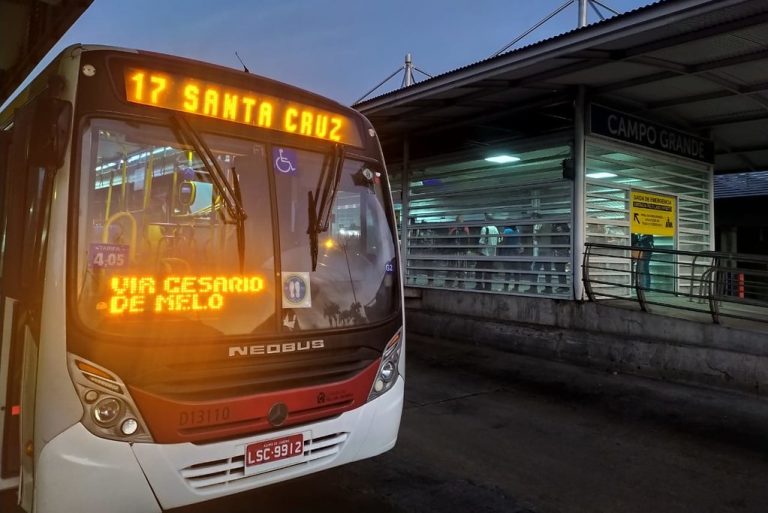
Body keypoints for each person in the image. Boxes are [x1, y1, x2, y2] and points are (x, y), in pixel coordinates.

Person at [476, 213, 500, 291]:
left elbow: (482, 242)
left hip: (484, 253)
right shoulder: (496, 229)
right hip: (492, 254)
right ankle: (488, 287)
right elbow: (498, 241)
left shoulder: (484, 229)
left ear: (486, 220)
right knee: (489, 271)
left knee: (478, 269)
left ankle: (479, 285)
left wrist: (478, 252)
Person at [447, 215, 470, 288]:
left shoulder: (465, 228)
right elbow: (448, 237)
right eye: (459, 220)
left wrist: (466, 232)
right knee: (453, 268)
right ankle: (450, 283)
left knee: (461, 268)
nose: (460, 222)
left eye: (462, 220)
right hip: (454, 251)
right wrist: (453, 229)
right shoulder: (453, 227)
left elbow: (468, 239)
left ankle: (461, 283)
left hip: (462, 251)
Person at [498, 224, 523, 292]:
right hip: (516, 255)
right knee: (516, 272)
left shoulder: (507, 231)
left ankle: (505, 288)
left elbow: (504, 243)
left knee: (507, 273)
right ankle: (516, 288)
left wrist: (501, 238)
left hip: (508, 254)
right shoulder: (517, 232)